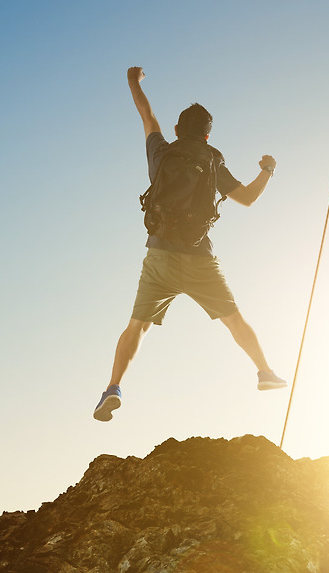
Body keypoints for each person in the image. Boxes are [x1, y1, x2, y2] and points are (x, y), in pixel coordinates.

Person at [94, 66, 287, 422]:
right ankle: (265, 373)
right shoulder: (212, 160)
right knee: (234, 320)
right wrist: (267, 170)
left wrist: (132, 82)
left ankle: (113, 388)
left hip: (159, 255)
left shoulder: (161, 152)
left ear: (179, 130)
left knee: (137, 325)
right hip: (199, 258)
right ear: (208, 137)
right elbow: (246, 199)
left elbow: (147, 115)